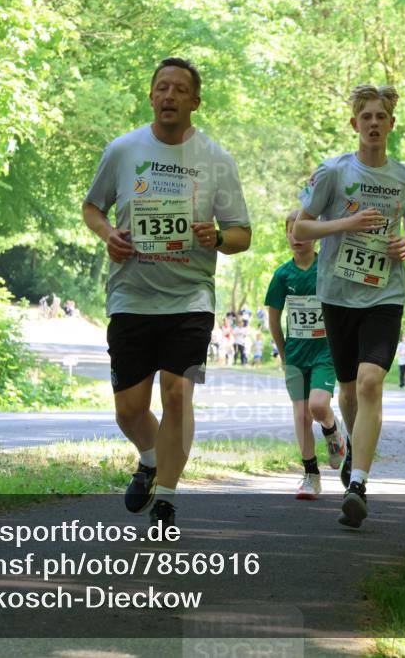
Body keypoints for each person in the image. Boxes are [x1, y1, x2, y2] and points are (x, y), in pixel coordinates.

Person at [82, 57, 251, 527]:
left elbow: (242, 234)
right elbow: (93, 208)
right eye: (162, 87)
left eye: (180, 89)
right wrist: (107, 236)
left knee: (178, 394)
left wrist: (215, 237)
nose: (170, 95)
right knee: (129, 411)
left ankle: (168, 498)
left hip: (190, 301)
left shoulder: (216, 160)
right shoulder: (123, 150)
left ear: (196, 101)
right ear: (152, 96)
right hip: (132, 298)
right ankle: (152, 460)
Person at [293, 84, 405, 527]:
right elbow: (302, 230)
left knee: (370, 383)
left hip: (385, 292)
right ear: (354, 124)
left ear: (390, 124)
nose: (372, 123)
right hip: (338, 293)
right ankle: (353, 446)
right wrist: (349, 222)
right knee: (348, 389)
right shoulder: (333, 173)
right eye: (364, 116)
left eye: (379, 117)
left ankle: (359, 484)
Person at [266, 210, 346, 500]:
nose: (295, 237)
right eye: (290, 231)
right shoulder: (282, 275)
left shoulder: (326, 268)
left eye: (302, 231)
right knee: (300, 415)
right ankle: (311, 475)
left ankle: (333, 430)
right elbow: (274, 320)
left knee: (318, 406)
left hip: (325, 353)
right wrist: (284, 354)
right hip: (296, 356)